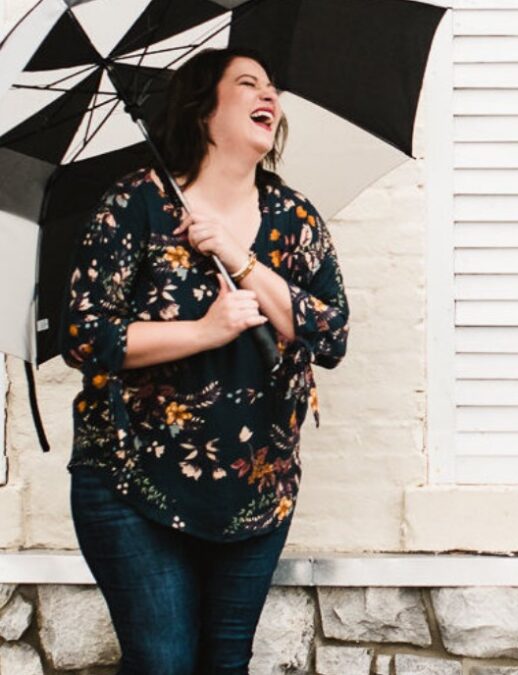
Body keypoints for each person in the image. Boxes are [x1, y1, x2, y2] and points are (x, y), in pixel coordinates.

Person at [58, 46, 349, 673]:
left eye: (273, 86)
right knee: (163, 662)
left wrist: (242, 261)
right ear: (202, 111)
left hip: (255, 490)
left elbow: (330, 335)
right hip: (131, 481)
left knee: (225, 663)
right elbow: (83, 337)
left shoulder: (293, 216)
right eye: (247, 84)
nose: (268, 95)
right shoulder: (136, 203)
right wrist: (205, 330)